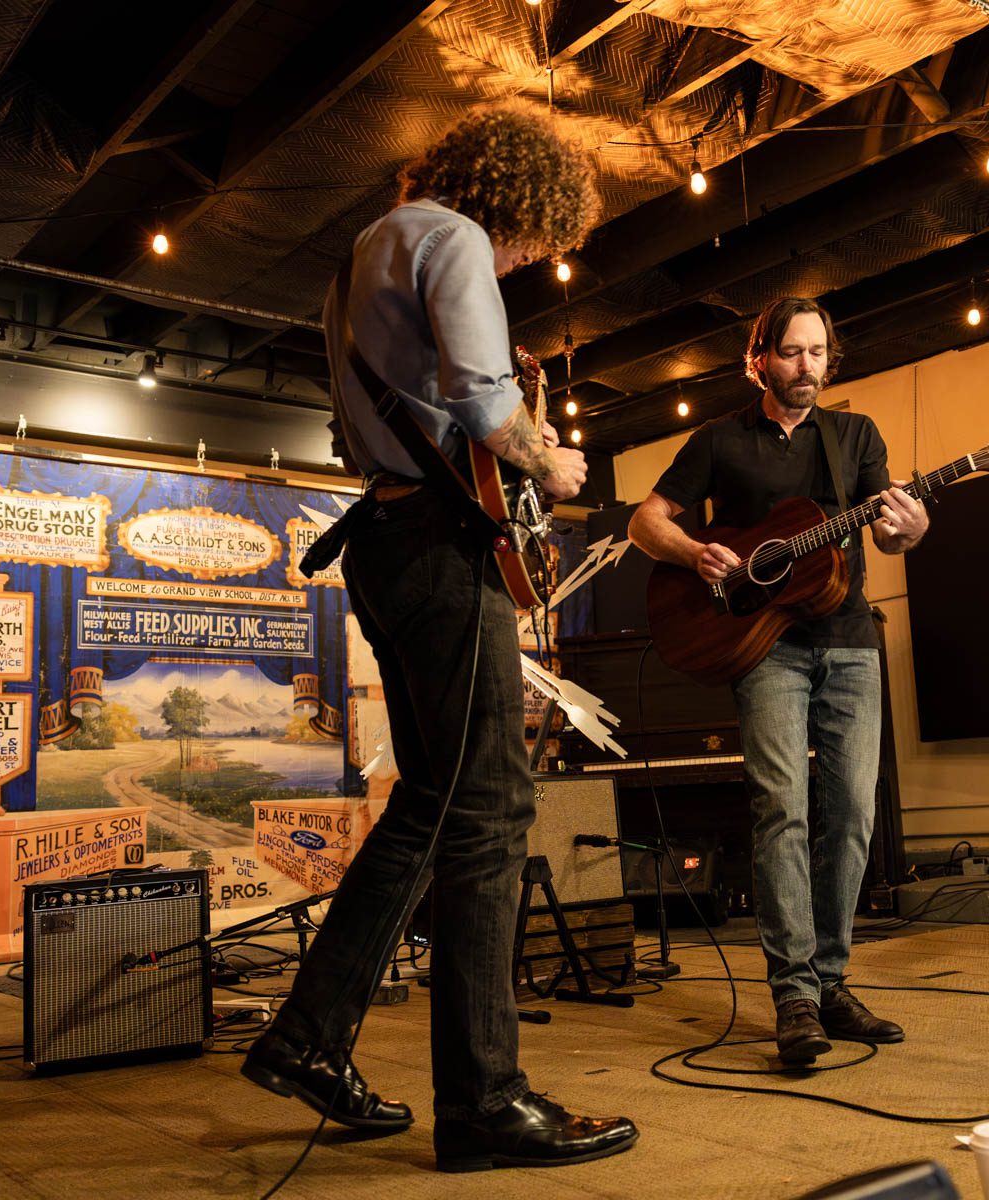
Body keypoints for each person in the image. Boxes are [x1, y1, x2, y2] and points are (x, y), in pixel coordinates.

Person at [242, 104, 639, 1172]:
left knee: (431, 801)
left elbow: (392, 407)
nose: (523, 261)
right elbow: (478, 397)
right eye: (534, 245)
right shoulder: (451, 237)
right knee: (494, 809)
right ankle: (483, 1101)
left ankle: (308, 1037)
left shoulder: (365, 254)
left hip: (385, 542)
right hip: (434, 552)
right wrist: (546, 461)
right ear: (520, 202)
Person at [628, 297, 928, 1064]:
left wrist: (907, 530)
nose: (808, 369)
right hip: (764, 647)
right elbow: (646, 521)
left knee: (853, 813)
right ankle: (794, 993)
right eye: (792, 353)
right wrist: (694, 551)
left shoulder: (853, 435)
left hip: (850, 639)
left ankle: (832, 981)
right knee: (780, 811)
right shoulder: (720, 439)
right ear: (758, 358)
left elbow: (887, 535)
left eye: (819, 354)